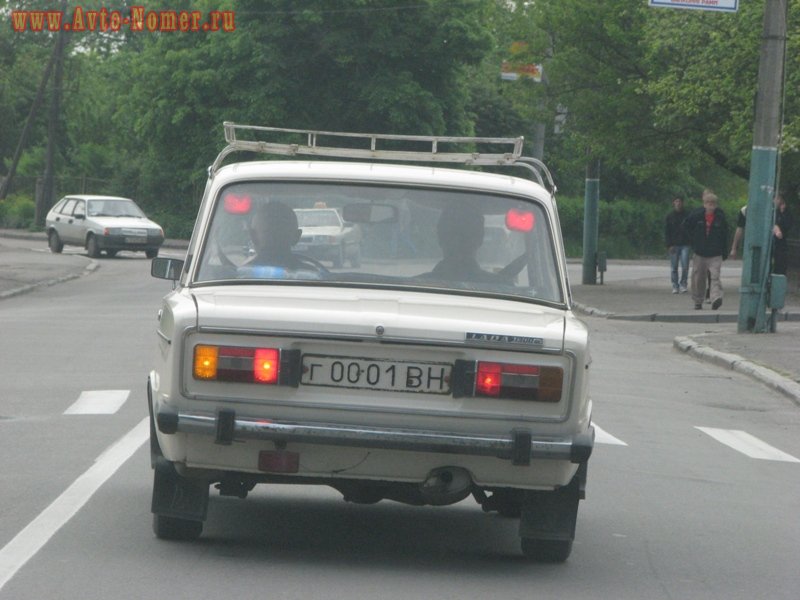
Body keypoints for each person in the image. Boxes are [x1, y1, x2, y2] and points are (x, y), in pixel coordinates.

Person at [422, 204, 504, 284]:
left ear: (440, 237)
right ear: (480, 239)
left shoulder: (417, 286)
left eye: (463, 235)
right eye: (455, 234)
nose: (458, 240)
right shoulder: (502, 288)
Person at [684, 189, 728, 310]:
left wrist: (725, 251)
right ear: (704, 204)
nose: (711, 206)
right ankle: (698, 300)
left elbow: (725, 235)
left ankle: (715, 298)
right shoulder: (696, 215)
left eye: (713, 203)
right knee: (698, 277)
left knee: (715, 276)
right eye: (708, 203)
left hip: (715, 253)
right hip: (700, 252)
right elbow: (686, 226)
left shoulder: (720, 216)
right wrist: (693, 242)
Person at [246, 200, 309, 270]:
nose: (275, 240)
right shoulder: (312, 277)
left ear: (253, 236)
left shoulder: (240, 276)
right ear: (297, 237)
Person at [665, 195, 690, 293]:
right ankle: (675, 285)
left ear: (682, 203)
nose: (678, 203)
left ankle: (683, 284)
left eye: (680, 201)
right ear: (673, 203)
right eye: (676, 201)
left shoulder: (688, 215)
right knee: (674, 267)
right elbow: (667, 231)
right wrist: (669, 245)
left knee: (685, 266)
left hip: (685, 244)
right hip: (674, 244)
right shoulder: (669, 216)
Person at [772, 194, 794, 275]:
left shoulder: (787, 213)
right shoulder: (773, 211)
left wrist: (782, 212)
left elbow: (788, 225)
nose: (775, 201)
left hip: (782, 241)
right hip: (774, 240)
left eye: (777, 199)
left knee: (780, 261)